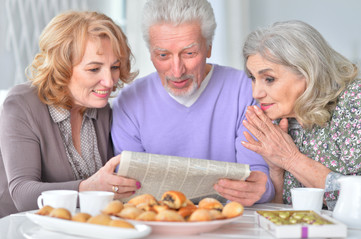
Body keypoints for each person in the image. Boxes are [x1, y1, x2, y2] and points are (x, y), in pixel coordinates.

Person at [111, 0, 274, 206]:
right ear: (150, 54)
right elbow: (132, 189)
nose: (177, 70)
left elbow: (259, 176)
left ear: (209, 48)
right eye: (163, 55)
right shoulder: (129, 102)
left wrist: (261, 188)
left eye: (189, 53)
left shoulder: (246, 89)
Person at [0, 11, 140, 217]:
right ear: (62, 67)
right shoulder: (23, 103)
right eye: (94, 69)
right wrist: (87, 187)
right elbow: (22, 195)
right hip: (21, 229)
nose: (109, 81)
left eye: (115, 67)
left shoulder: (100, 109)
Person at [241, 20, 361, 210]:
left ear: (307, 73)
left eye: (269, 79)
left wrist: (291, 159)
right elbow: (282, 212)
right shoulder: (281, 120)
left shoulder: (355, 101)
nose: (256, 93)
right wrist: (276, 170)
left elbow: (357, 201)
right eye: (253, 78)